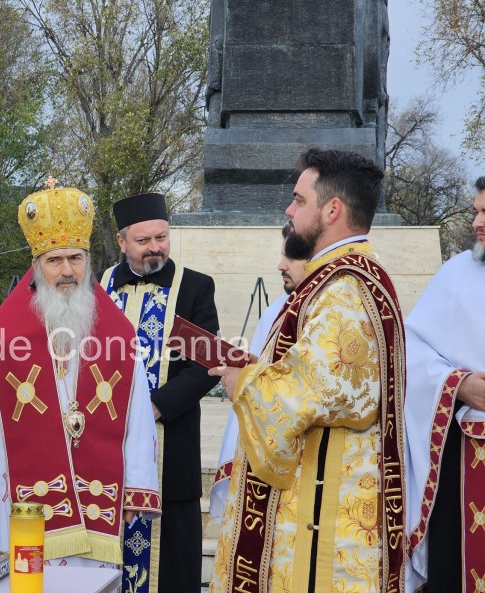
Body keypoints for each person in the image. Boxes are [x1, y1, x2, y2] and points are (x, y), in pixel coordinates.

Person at [208, 148, 406, 593]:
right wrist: (265, 370)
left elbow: (312, 390)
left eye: (299, 200)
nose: (289, 210)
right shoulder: (338, 279)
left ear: (332, 210)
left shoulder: (343, 289)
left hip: (321, 530)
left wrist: (243, 382)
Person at [0, 183, 160, 568]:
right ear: (37, 264)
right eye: (54, 260)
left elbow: (137, 414)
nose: (67, 271)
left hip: (97, 496)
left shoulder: (119, 334)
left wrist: (136, 487)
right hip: (16, 491)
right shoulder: (0, 334)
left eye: (76, 258)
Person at [100, 192, 219, 593]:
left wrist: (154, 407)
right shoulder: (98, 286)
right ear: (121, 241)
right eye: (143, 240)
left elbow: (206, 365)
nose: (155, 247)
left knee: (173, 572)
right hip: (107, 452)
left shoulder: (195, 287)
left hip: (171, 452)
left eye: (161, 237)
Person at [405, 176, 485, 593]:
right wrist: (458, 384)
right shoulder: (455, 274)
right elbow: (412, 350)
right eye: (476, 211)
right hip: (463, 456)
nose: (477, 222)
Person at [210, 220, 307, 521]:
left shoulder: (329, 309)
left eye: (292, 257)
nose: (281, 265)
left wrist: (249, 380)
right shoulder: (275, 310)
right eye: (282, 254)